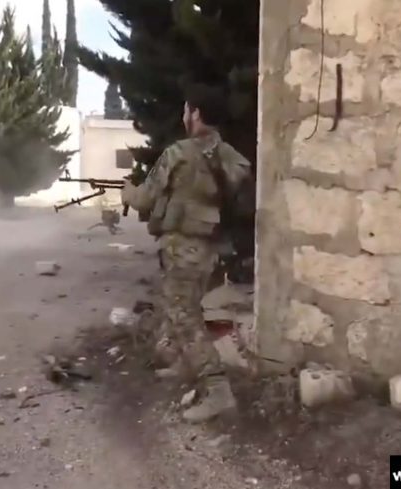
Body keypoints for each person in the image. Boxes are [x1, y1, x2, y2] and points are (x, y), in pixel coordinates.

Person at [121, 84, 252, 423]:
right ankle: (185, 364)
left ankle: (218, 391)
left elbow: (145, 199)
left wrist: (127, 191)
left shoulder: (179, 153)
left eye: (186, 110)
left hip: (183, 248)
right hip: (209, 248)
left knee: (184, 316)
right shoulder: (230, 156)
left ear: (195, 113)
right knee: (182, 307)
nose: (184, 116)